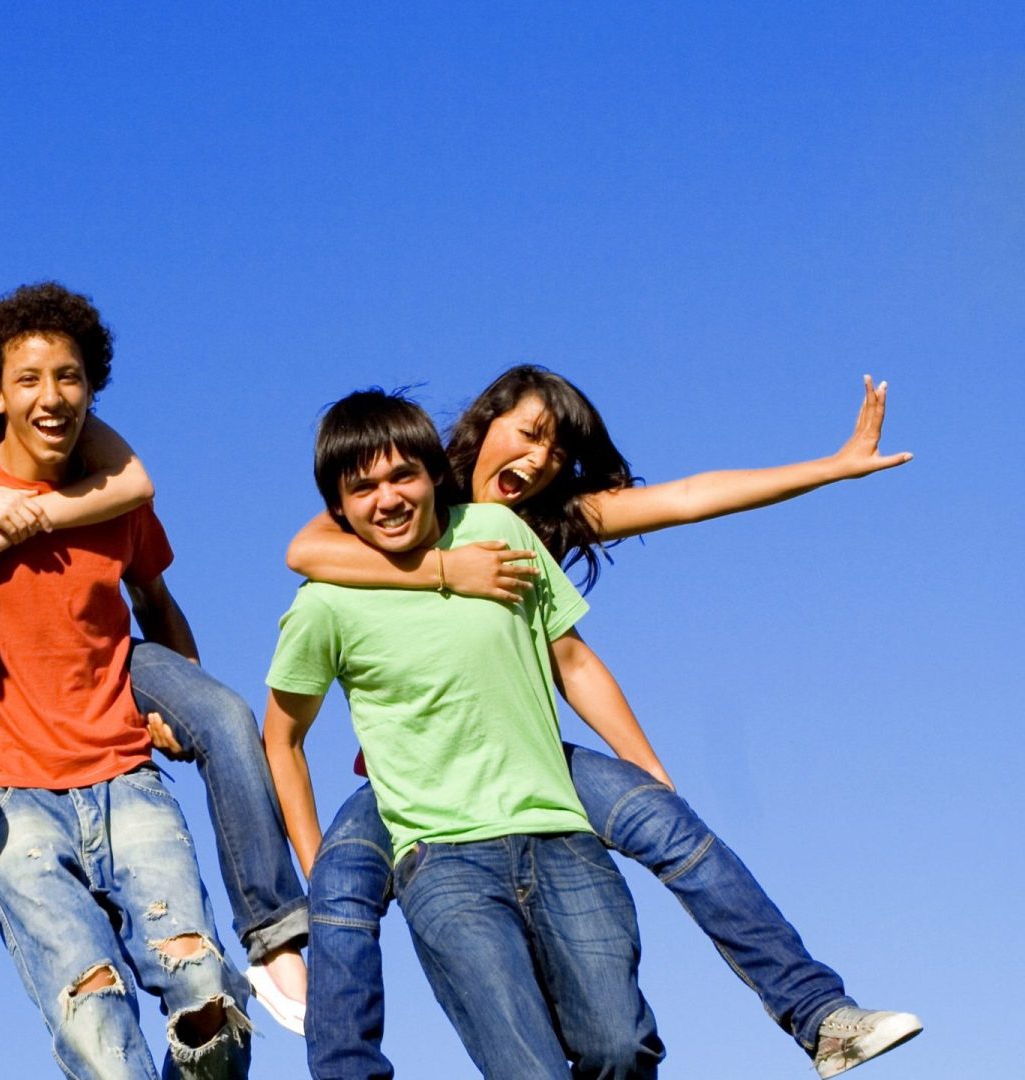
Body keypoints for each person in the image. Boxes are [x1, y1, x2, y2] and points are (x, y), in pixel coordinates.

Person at [289, 366, 921, 1079]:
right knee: (338, 889)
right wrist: (447, 572)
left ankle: (820, 1014)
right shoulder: (392, 478)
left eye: (557, 452)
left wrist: (832, 467)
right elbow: (305, 550)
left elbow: (686, 499)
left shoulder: (532, 524)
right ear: (480, 423)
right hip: (408, 777)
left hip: (526, 757)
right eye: (527, 434)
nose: (536, 460)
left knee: (668, 822)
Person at [0, 268, 311, 1037]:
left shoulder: (53, 412)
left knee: (222, 713)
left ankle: (274, 930)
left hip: (98, 652)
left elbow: (135, 487)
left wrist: (25, 515)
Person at [266, 389, 667, 1079]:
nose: (386, 498)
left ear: (432, 477)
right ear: (338, 507)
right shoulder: (325, 601)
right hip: (440, 854)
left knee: (620, 1047)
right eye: (362, 488)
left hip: (553, 829)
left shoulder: (495, 535)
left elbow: (574, 655)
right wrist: (316, 860)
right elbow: (282, 737)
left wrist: (644, 763)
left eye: (401, 477)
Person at [0, 282, 252, 1077]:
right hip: (7, 792)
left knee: (208, 1000)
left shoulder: (111, 501)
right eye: (28, 379)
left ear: (91, 390)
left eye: (68, 377)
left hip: (127, 776)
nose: (51, 396)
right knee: (95, 1021)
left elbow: (159, 604)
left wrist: (181, 702)